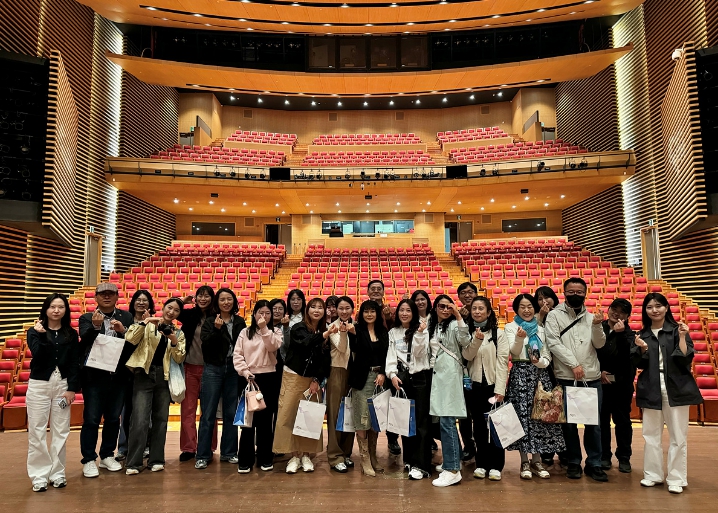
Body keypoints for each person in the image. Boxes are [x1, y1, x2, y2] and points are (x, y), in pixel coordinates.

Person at [632, 293, 703, 494]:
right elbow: (638, 363)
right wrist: (642, 349)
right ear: (645, 310)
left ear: (666, 308)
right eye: (649, 307)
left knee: (678, 436)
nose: (654, 310)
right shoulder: (642, 335)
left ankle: (677, 478)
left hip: (676, 387)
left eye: (658, 306)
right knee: (650, 434)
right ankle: (652, 475)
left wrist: (683, 337)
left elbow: (685, 359)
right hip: (651, 387)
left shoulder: (677, 330)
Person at [544, 277, 607, 481]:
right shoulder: (554, 316)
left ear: (585, 294)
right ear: (564, 293)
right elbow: (553, 343)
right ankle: (573, 462)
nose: (575, 295)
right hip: (566, 377)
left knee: (593, 425)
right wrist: (573, 364)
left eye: (579, 292)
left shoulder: (591, 318)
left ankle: (594, 463)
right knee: (569, 425)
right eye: (571, 292)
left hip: (590, 378)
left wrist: (597, 326)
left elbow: (599, 344)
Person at [504, 294, 565, 480]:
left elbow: (546, 354)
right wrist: (519, 339)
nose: (526, 310)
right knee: (522, 418)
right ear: (516, 309)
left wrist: (539, 362)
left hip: (540, 375)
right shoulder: (510, 327)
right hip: (520, 375)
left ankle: (537, 461)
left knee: (540, 417)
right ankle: (524, 461)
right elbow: (513, 352)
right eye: (522, 307)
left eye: (529, 306)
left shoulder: (541, 329)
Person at [123, 298, 186, 474]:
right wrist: (145, 322)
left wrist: (173, 340)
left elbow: (179, 357)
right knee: (139, 419)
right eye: (169, 308)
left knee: (161, 420)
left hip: (164, 377)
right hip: (143, 374)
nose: (171, 312)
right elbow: (130, 338)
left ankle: (157, 459)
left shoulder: (178, 333)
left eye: (176, 311)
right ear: (163, 308)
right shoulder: (149, 324)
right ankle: (133, 462)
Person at [78, 282, 134, 478]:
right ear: (96, 297)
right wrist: (95, 326)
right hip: (94, 378)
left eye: (111, 293)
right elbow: (85, 342)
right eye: (103, 294)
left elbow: (132, 345)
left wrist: (123, 331)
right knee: (92, 419)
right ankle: (88, 459)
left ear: (117, 296)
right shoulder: (86, 318)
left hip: (118, 377)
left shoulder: (126, 317)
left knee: (113, 418)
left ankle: (107, 455)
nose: (107, 297)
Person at [26, 293, 80, 492]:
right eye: (52, 307)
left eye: (61, 307)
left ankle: (57, 473)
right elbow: (38, 355)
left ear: (66, 310)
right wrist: (41, 335)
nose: (56, 310)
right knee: (37, 430)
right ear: (46, 309)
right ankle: (39, 476)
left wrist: (72, 388)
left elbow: (74, 362)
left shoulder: (71, 334)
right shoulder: (34, 331)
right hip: (39, 386)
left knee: (61, 430)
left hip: (62, 386)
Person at [273, 298, 332, 473]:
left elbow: (325, 360)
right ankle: (294, 455)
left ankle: (306, 455)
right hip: (293, 376)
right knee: (288, 415)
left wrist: (317, 380)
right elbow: (305, 343)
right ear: (307, 310)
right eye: (313, 307)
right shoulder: (298, 327)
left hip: (312, 380)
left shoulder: (325, 330)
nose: (316, 310)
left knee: (309, 417)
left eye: (320, 307)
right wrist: (324, 335)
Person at [195, 288, 247, 469]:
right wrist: (217, 330)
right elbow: (206, 344)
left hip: (233, 368)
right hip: (213, 368)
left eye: (229, 299)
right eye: (222, 299)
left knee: (231, 412)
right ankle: (203, 455)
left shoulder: (240, 321)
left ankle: (229, 452)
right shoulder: (210, 321)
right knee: (208, 413)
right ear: (217, 302)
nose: (226, 302)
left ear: (234, 301)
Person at [462, 296, 509, 481]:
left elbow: (502, 362)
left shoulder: (498, 334)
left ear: (489, 312)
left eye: (481, 308)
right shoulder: (466, 332)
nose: (477, 312)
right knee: (479, 427)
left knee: (496, 426)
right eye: (474, 308)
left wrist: (500, 389)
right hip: (474, 387)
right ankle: (481, 463)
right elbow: (467, 355)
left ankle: (496, 465)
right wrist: (476, 340)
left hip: (493, 387)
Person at [234, 300, 283, 473]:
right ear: (254, 314)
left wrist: (264, 329)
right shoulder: (244, 332)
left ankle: (265, 457)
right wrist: (245, 372)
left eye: (267, 313)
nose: (264, 316)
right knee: (248, 421)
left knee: (265, 421)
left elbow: (272, 346)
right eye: (260, 312)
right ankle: (245, 459)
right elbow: (237, 355)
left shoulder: (275, 332)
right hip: (248, 378)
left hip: (268, 378)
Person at [387, 299, 433, 480]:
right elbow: (391, 355)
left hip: (419, 378)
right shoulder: (393, 332)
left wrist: (420, 334)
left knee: (421, 423)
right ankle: (410, 459)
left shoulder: (422, 329)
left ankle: (421, 465)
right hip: (401, 378)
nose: (404, 313)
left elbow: (420, 354)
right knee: (405, 421)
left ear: (413, 313)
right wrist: (392, 374)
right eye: (401, 310)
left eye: (408, 310)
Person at [429, 295, 470, 487]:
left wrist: (458, 316)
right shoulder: (432, 325)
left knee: (447, 422)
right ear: (435, 307)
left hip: (450, 376)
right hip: (437, 376)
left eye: (449, 307)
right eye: (441, 306)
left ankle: (453, 470)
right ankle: (452, 462)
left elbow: (465, 340)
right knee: (444, 421)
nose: (445, 310)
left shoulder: (454, 325)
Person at [349, 300, 389, 477]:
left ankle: (373, 456)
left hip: (379, 379)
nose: (369, 314)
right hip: (361, 379)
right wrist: (352, 334)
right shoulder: (356, 330)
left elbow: (387, 354)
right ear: (361, 314)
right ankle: (364, 459)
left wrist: (383, 372)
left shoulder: (383, 331)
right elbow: (355, 349)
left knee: (375, 418)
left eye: (373, 311)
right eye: (366, 311)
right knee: (362, 418)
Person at [596, 298, 636, 473]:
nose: (616, 314)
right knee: (602, 422)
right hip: (600, 382)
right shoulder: (598, 328)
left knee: (623, 423)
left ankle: (624, 457)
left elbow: (628, 361)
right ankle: (604, 456)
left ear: (627, 316)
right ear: (608, 309)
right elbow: (591, 354)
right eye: (614, 309)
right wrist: (599, 372)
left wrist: (620, 335)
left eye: (622, 312)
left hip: (621, 386)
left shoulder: (630, 335)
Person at [178, 286, 217, 462]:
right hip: (189, 368)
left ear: (212, 298)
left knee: (209, 411)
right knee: (188, 410)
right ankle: (188, 448)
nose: (203, 299)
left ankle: (208, 446)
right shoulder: (189, 315)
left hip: (210, 369)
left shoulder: (216, 316)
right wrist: (182, 301)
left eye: (207, 296)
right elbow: (171, 310)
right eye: (200, 295)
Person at [117, 290, 156, 461]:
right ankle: (124, 447)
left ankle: (145, 445)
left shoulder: (153, 321)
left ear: (150, 304)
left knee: (144, 413)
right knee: (126, 412)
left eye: (145, 300)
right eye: (138, 300)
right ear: (133, 302)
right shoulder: (126, 320)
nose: (141, 303)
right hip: (125, 371)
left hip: (145, 371)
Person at [366, 279, 401, 456]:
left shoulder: (390, 310)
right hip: (372, 362)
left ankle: (392, 438)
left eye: (379, 289)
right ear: (368, 292)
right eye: (372, 289)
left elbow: (397, 330)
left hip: (391, 359)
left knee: (392, 401)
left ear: (383, 291)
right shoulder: (364, 310)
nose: (376, 291)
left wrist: (388, 318)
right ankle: (368, 442)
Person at [534, 285, 564, 468]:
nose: (544, 301)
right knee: (548, 410)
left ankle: (565, 452)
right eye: (539, 299)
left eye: (547, 297)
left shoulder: (562, 314)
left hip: (563, 367)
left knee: (564, 412)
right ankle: (547, 451)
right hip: (546, 370)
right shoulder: (535, 318)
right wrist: (541, 317)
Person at [325, 296, 356, 473]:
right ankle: (334, 455)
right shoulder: (332, 327)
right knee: (335, 414)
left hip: (354, 373)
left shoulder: (356, 325)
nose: (344, 311)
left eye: (347, 308)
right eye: (341, 308)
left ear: (352, 309)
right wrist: (344, 333)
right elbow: (342, 349)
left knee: (350, 413)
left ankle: (346, 453)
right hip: (337, 372)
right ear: (336, 310)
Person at [411, 289, 439, 454]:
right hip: (420, 369)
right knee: (422, 408)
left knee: (433, 407)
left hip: (435, 367)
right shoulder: (412, 320)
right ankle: (425, 440)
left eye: (423, 299)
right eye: (417, 299)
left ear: (428, 301)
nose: (420, 302)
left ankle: (432, 438)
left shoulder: (434, 317)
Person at [455, 281, 478, 463]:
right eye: (463, 292)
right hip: (462, 371)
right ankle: (468, 446)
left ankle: (482, 444)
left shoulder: (482, 312)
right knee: (464, 414)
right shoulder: (456, 316)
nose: (467, 295)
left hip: (479, 368)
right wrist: (461, 320)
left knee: (478, 412)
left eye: (470, 292)